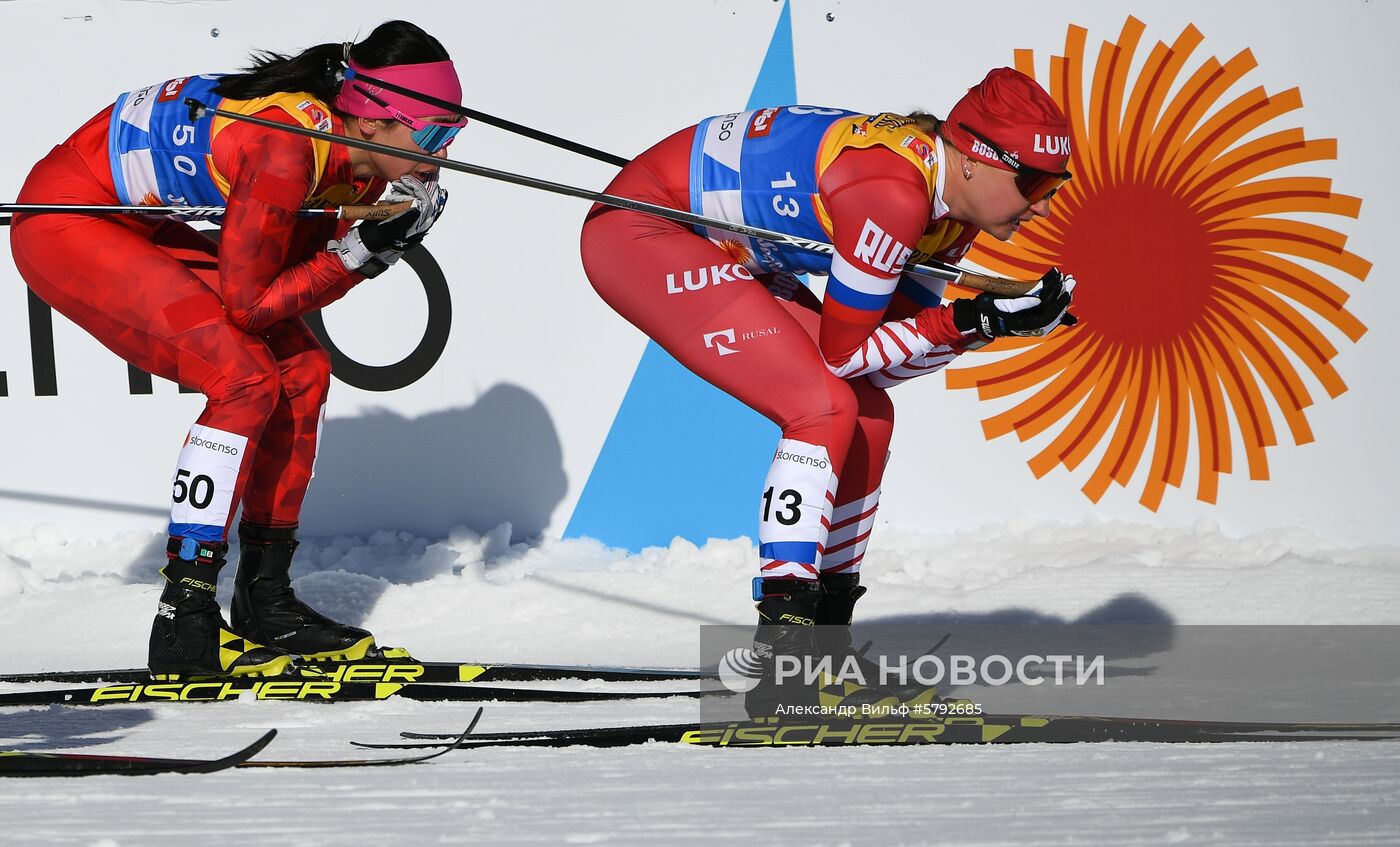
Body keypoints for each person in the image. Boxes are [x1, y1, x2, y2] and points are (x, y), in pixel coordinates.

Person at [580, 68, 1077, 714]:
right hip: (647, 231)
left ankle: (828, 648)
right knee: (823, 405)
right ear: (978, 158)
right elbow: (847, 358)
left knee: (869, 415)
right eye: (1035, 184)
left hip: (734, 245)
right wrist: (975, 318)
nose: (1043, 206)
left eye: (1056, 188)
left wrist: (982, 326)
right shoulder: (896, 196)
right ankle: (783, 654)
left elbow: (882, 363)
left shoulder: (951, 212)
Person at [9, 20, 466, 678]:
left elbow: (295, 288)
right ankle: (185, 618)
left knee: (302, 369)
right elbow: (251, 304)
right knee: (246, 378)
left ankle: (265, 599)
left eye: (453, 136)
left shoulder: (359, 168)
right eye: (431, 134)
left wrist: (362, 248)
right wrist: (365, 255)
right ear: (372, 122)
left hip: (133, 218)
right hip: (66, 218)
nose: (443, 153)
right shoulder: (290, 150)